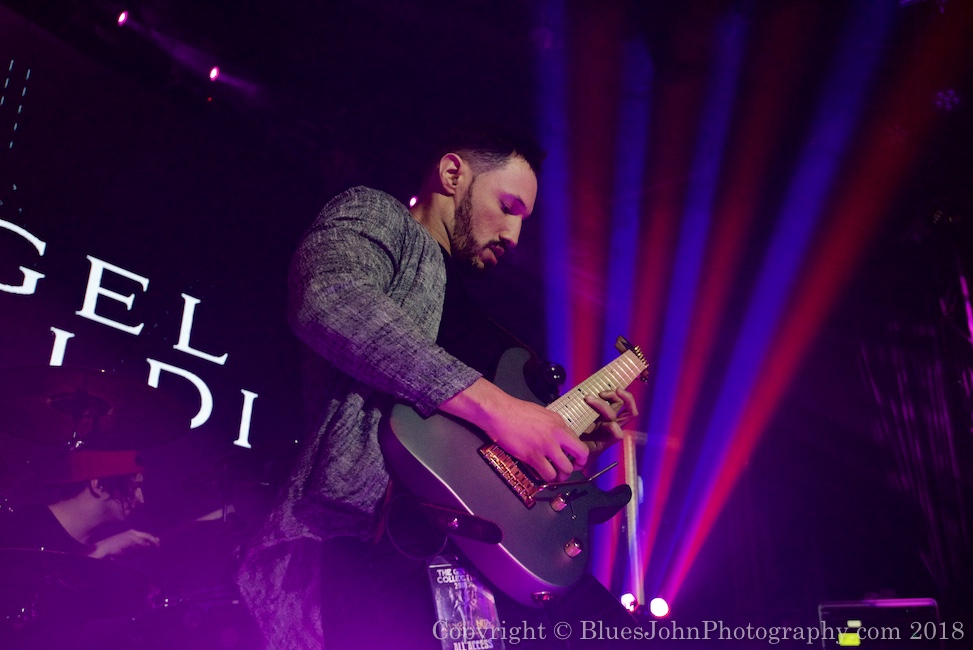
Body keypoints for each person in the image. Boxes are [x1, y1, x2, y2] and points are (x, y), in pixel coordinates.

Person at [237, 125, 639, 649]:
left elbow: (472, 447)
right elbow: (327, 297)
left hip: (491, 555)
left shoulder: (495, 330)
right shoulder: (379, 215)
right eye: (509, 205)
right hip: (385, 540)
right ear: (453, 174)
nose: (515, 237)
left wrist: (564, 447)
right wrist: (501, 411)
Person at [0, 449, 160, 558]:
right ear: (99, 486)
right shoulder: (20, 528)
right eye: (135, 486)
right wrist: (98, 552)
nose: (141, 498)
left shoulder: (100, 545)